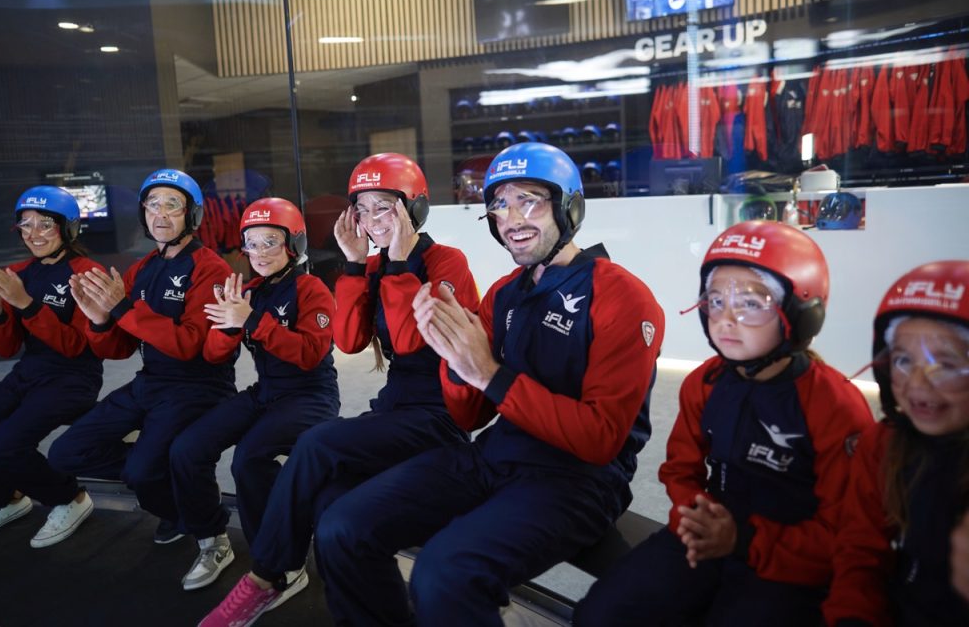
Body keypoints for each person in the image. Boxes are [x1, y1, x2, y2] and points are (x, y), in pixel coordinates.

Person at [305, 141, 665, 626]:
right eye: (499, 204)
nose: (511, 218)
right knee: (342, 526)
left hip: (579, 481)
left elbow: (600, 440)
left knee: (445, 572)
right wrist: (455, 362)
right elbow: (470, 416)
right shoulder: (504, 293)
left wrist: (489, 374)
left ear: (570, 207)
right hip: (495, 456)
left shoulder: (623, 296)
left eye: (529, 201)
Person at [198, 152, 478, 627]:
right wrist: (353, 265)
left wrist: (398, 264)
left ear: (415, 208)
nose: (372, 220)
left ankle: (267, 576)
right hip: (394, 408)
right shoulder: (374, 265)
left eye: (384, 207)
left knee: (317, 443)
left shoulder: (445, 261)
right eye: (362, 210)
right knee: (331, 509)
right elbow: (349, 341)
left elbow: (411, 341)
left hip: (440, 414)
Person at [574, 219, 875, 627]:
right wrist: (694, 516)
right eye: (716, 301)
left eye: (750, 303)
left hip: (790, 562)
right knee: (601, 613)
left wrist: (743, 539)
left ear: (800, 312)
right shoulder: (705, 382)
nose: (726, 318)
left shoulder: (835, 405)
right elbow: (681, 469)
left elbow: (847, 532)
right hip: (707, 537)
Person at [48, 169, 235, 543]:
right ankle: (169, 479)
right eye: (152, 204)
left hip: (198, 386)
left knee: (141, 473)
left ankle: (184, 506)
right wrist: (101, 321)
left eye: (172, 204)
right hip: (149, 382)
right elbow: (118, 349)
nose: (160, 213)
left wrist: (123, 309)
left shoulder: (211, 269)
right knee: (66, 453)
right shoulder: (142, 269)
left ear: (192, 215)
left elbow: (189, 345)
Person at [168, 197, 340, 591]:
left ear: (293, 244)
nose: (259, 252)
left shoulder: (311, 288)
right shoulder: (249, 291)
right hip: (266, 391)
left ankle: (282, 564)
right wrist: (229, 327)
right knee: (188, 448)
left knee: (249, 458)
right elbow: (213, 355)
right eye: (252, 243)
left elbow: (310, 355)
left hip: (310, 395)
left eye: (270, 242)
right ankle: (212, 539)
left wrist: (252, 321)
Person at [0, 186, 102, 548]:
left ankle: (70, 498)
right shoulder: (17, 274)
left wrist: (27, 305)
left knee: (0, 450)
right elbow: (7, 348)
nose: (34, 234)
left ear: (68, 228)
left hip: (73, 379)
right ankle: (5, 500)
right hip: (26, 375)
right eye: (26, 225)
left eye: (45, 224)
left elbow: (77, 347)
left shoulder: (87, 273)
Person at [824, 260, 969, 626]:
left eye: (946, 365)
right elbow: (859, 551)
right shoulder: (883, 443)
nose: (917, 385)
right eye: (904, 360)